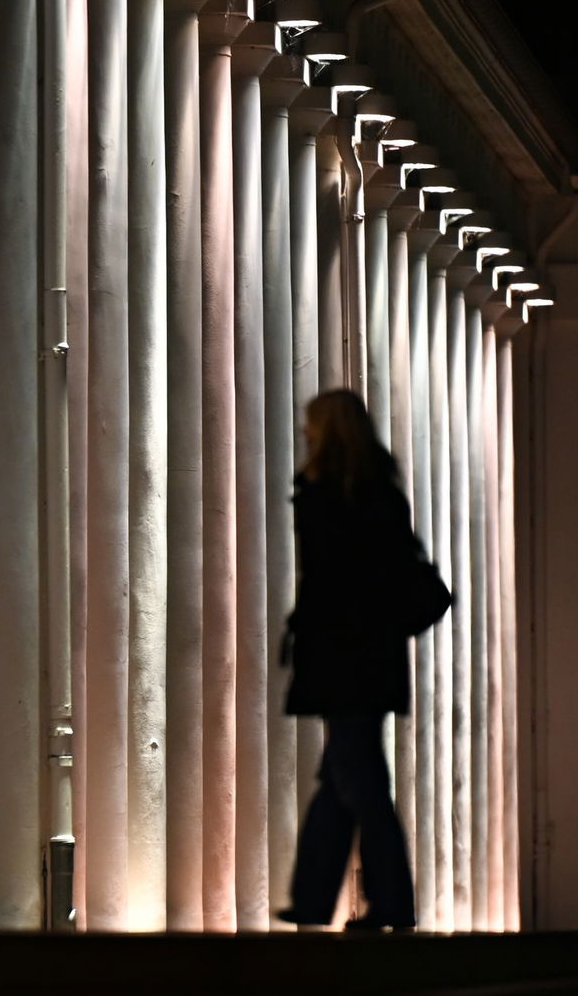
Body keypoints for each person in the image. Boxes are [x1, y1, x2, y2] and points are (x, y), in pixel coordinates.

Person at [276, 389, 420, 932]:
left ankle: (391, 904)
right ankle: (314, 900)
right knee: (341, 777)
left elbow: (325, 583)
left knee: (358, 782)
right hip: (373, 655)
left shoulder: (324, 495)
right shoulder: (381, 494)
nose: (305, 434)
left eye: (311, 426)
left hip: (341, 657)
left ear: (326, 431)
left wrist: (302, 636)